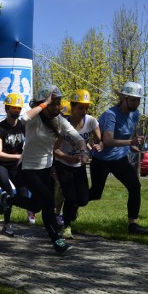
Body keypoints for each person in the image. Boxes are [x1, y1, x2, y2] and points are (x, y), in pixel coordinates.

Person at [0, 85, 88, 254]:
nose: (56, 107)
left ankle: (8, 200)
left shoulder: (60, 121)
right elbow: (23, 119)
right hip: (28, 168)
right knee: (48, 201)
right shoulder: (35, 119)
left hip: (46, 169)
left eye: (57, 103)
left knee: (37, 205)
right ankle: (57, 241)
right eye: (52, 104)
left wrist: (83, 150)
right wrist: (43, 104)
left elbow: (76, 137)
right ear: (43, 103)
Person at [88, 81, 148, 234]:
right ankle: (72, 203)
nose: (137, 103)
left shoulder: (135, 114)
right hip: (101, 160)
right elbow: (107, 141)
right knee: (95, 194)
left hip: (119, 159)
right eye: (134, 99)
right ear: (124, 98)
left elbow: (125, 136)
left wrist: (130, 146)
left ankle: (133, 225)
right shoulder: (111, 115)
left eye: (139, 99)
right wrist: (130, 142)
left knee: (135, 187)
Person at [53, 89, 102, 239]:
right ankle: (66, 227)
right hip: (63, 164)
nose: (84, 111)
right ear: (72, 107)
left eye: (87, 107)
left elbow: (99, 140)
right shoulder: (63, 125)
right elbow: (54, 149)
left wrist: (99, 146)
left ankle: (69, 206)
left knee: (83, 199)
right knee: (71, 197)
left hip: (79, 164)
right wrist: (67, 158)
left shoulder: (92, 121)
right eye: (81, 107)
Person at [0, 93, 28, 236]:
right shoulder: (0, 128)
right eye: (14, 108)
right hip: (1, 164)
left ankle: (4, 199)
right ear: (7, 108)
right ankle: (7, 224)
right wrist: (18, 155)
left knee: (24, 196)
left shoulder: (23, 126)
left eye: (19, 109)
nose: (17, 111)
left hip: (16, 165)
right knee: (8, 190)